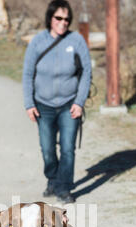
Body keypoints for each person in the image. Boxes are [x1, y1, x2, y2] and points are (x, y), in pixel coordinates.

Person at [23, 0, 92, 203]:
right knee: (47, 149)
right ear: (50, 18)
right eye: (59, 18)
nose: (63, 22)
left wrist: (79, 102)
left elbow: (87, 72)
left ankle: (64, 188)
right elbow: (27, 74)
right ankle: (52, 179)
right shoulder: (37, 42)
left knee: (68, 148)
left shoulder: (76, 40)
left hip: (69, 104)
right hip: (43, 104)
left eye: (67, 19)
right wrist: (29, 104)